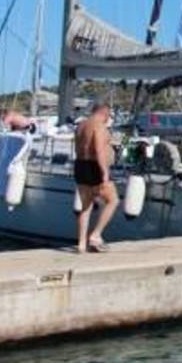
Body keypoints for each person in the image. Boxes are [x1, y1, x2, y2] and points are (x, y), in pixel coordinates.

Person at [74, 103, 119, 253]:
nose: (108, 119)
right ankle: (95, 235)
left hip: (80, 165)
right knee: (112, 200)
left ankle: (81, 244)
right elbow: (98, 150)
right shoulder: (99, 126)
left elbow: (78, 148)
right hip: (95, 166)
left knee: (86, 206)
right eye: (109, 116)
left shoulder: (81, 126)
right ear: (105, 113)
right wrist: (104, 172)